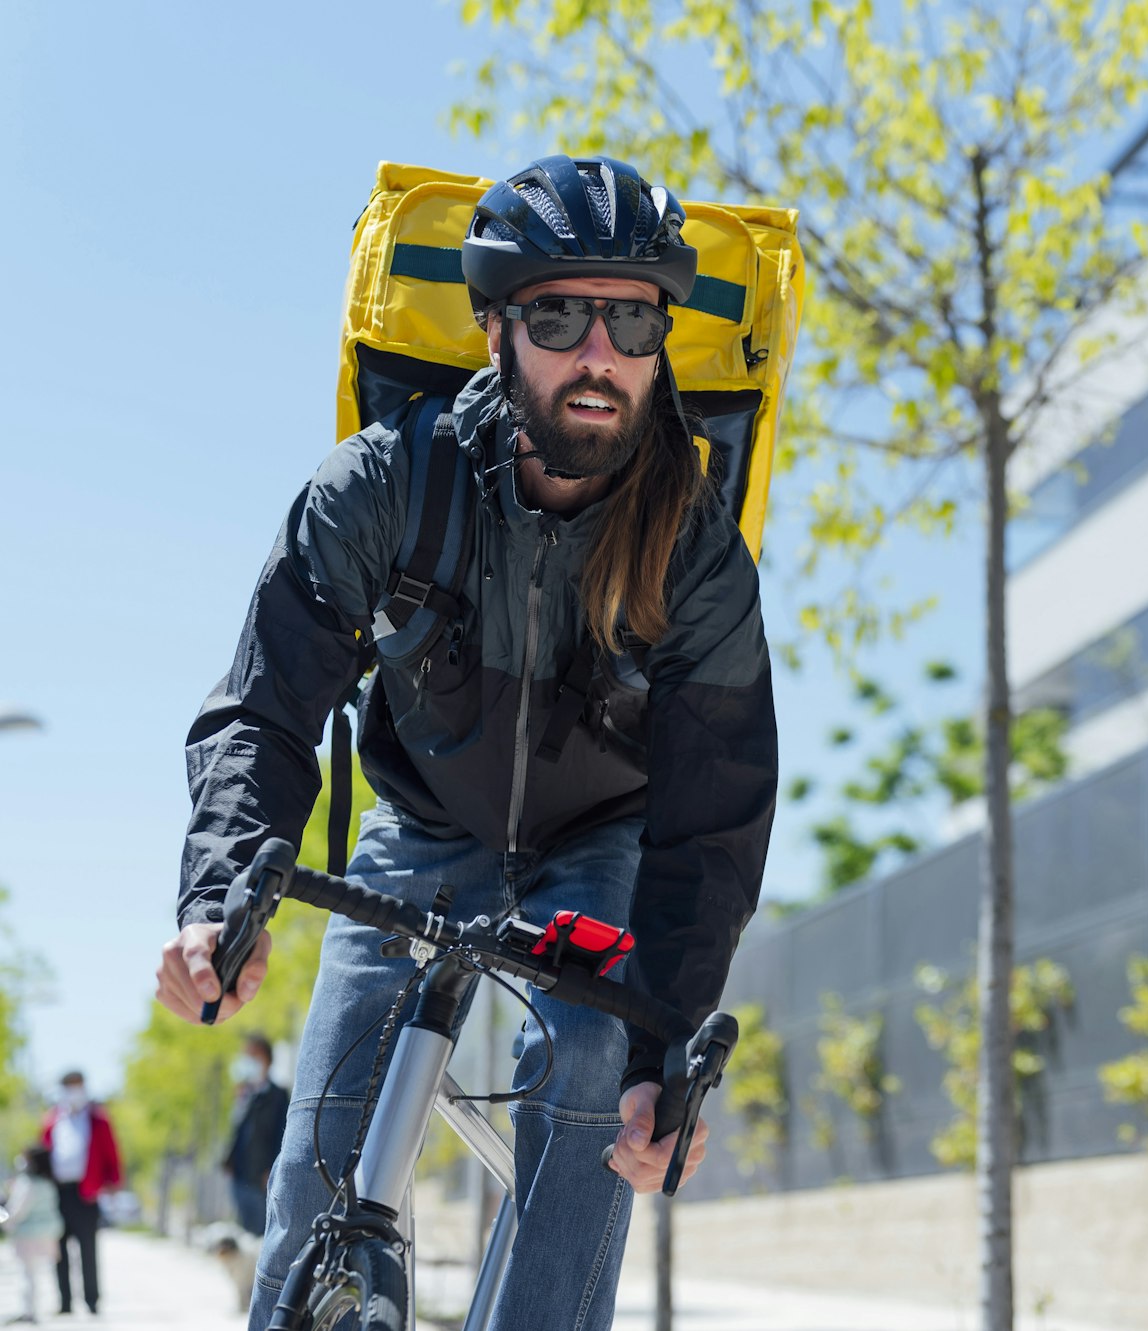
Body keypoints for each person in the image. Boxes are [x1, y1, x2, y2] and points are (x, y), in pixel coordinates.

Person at [153, 154, 778, 1331]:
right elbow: (267, 705)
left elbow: (716, 809)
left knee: (598, 1064)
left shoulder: (692, 545)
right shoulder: (386, 484)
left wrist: (667, 1048)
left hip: (604, 840)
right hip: (419, 824)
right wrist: (222, 896)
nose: (599, 353)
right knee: (318, 1160)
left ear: (661, 339)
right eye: (559, 314)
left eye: (632, 320)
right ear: (495, 325)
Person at [39, 1072, 122, 1317]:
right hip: (57, 1193)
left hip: (87, 1192)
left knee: (88, 1248)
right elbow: (43, 1151)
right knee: (58, 1249)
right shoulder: (53, 1119)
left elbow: (111, 1153)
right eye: (69, 1086)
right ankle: (64, 1301)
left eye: (77, 1086)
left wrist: (113, 1185)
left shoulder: (98, 1119)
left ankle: (91, 1301)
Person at [220, 1034, 288, 1236]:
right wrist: (228, 1161)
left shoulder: (278, 1095)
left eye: (252, 1055)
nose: (247, 1060)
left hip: (261, 1175)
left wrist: (273, 1168)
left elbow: (281, 1133)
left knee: (260, 1231)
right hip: (239, 1173)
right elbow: (237, 1131)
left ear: (265, 1058)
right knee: (242, 1228)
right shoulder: (245, 1093)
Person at [6, 1146, 62, 1324]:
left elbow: (17, 1211)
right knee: (43, 1272)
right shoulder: (49, 1183)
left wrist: (6, 1222)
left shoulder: (27, 1184)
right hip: (48, 1234)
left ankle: (30, 1311)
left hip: (28, 1235)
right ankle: (41, 1308)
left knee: (27, 1274)